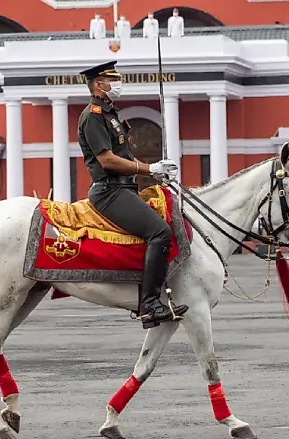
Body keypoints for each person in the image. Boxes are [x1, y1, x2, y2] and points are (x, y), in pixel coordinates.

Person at [77, 60, 188, 329]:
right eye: (111, 79)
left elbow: (125, 157)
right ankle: (149, 305)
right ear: (98, 85)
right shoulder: (93, 116)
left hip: (125, 188)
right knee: (159, 232)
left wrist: (153, 173)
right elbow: (107, 161)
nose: (117, 84)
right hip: (109, 191)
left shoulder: (110, 114)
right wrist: (148, 167)